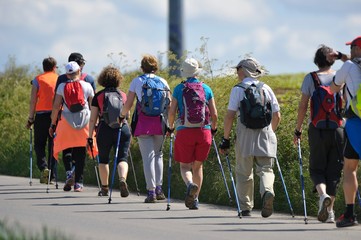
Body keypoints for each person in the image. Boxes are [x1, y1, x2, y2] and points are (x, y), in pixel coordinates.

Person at [219, 57, 281, 218]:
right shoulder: (266, 88)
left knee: (244, 172)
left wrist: (225, 139)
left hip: (245, 133)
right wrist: (270, 132)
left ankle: (246, 207)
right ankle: (267, 191)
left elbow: (230, 116)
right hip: (265, 132)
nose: (236, 72)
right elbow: (277, 116)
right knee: (266, 169)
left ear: (243, 70)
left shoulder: (238, 89)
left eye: (238, 69)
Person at [293, 45, 344, 223]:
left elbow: (302, 106)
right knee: (334, 172)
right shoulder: (341, 76)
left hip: (316, 129)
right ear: (333, 59)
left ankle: (323, 196)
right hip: (338, 130)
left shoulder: (311, 78)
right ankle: (330, 213)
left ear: (317, 60)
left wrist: (298, 130)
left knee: (317, 168)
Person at [167, 58, 218, 210]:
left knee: (184, 166)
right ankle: (195, 199)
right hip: (204, 132)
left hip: (184, 131)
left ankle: (190, 184)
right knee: (198, 166)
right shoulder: (206, 88)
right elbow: (214, 114)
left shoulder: (178, 89)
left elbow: (171, 112)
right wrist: (213, 128)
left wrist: (171, 127)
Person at [120, 54, 171, 203]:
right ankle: (159, 189)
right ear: (156, 67)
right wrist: (171, 124)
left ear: (142, 67)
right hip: (161, 122)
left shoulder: (137, 81)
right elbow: (169, 104)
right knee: (158, 155)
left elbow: (128, 104)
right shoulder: (163, 81)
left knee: (148, 157)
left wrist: (122, 116)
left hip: (144, 123)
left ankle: (151, 192)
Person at [49, 61, 95, 192]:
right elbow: (93, 107)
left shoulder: (61, 87)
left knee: (66, 148)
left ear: (67, 75)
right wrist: (95, 123)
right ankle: (78, 183)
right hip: (84, 122)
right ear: (79, 72)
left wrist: (53, 124)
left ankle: (69, 173)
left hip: (66, 122)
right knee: (81, 152)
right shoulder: (87, 86)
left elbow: (56, 106)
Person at [330, 36, 361, 228]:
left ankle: (350, 214)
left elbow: (334, 87)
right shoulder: (349, 62)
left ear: (358, 49)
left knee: (350, 168)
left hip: (356, 123)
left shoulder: (349, 66)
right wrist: (342, 56)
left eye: (352, 48)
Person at [88, 66, 131, 197]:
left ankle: (105, 188)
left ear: (103, 79)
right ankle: (122, 179)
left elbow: (92, 119)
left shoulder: (98, 96)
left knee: (104, 159)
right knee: (122, 158)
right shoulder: (123, 95)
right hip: (122, 128)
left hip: (104, 129)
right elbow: (127, 114)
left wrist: (90, 136)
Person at [26, 57, 58, 184]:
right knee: (53, 145)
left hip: (40, 116)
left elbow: (33, 100)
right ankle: (52, 175)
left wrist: (30, 118)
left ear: (43, 67)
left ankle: (44, 167)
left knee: (39, 144)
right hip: (55, 116)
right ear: (54, 67)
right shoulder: (59, 79)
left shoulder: (38, 79)